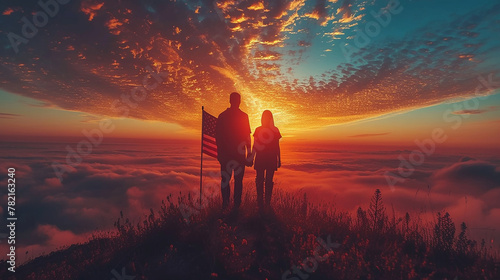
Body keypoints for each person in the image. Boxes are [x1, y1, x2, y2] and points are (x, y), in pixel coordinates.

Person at [215, 92, 252, 211]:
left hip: (229, 155)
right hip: (237, 155)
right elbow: (247, 137)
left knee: (228, 180)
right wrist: (249, 152)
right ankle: (234, 205)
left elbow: (218, 137)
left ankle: (227, 205)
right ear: (238, 101)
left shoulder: (223, 116)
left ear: (230, 101)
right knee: (236, 181)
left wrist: (220, 153)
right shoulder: (242, 116)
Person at [251, 110, 281, 211]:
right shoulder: (259, 130)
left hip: (270, 158)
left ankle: (267, 203)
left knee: (268, 181)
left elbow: (277, 146)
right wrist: (252, 157)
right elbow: (255, 145)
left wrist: (279, 159)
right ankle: (260, 202)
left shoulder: (275, 130)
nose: (266, 119)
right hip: (261, 158)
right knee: (260, 180)